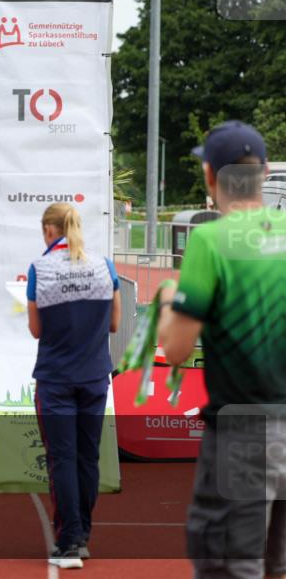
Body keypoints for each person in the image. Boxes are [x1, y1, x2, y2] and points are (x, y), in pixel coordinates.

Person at [157, 121, 285, 579]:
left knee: (230, 567)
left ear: (210, 175)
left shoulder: (211, 240)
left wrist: (170, 302)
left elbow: (174, 350)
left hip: (243, 431)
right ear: (265, 171)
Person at [25, 202, 121, 569]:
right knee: (87, 456)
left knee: (61, 458)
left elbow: (36, 330)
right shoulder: (104, 266)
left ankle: (68, 542)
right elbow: (114, 325)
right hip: (95, 376)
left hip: (56, 378)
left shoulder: (40, 268)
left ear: (50, 230)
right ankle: (82, 536)